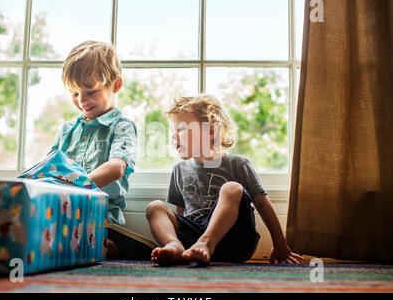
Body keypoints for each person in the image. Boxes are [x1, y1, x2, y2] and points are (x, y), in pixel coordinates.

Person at [145, 94, 303, 266]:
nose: (174, 136)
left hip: (234, 239)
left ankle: (206, 243)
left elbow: (262, 204)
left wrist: (280, 244)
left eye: (181, 129)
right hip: (194, 239)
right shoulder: (179, 170)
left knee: (232, 188)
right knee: (155, 207)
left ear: (211, 131)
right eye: (172, 130)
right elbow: (180, 214)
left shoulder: (238, 164)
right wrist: (177, 236)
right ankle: (175, 246)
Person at [50, 40, 137, 227]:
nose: (82, 100)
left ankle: (107, 244)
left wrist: (77, 185)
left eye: (90, 91)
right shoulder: (67, 130)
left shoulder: (122, 126)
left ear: (116, 85)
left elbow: (116, 168)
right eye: (74, 93)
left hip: (102, 213)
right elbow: (50, 168)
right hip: (65, 210)